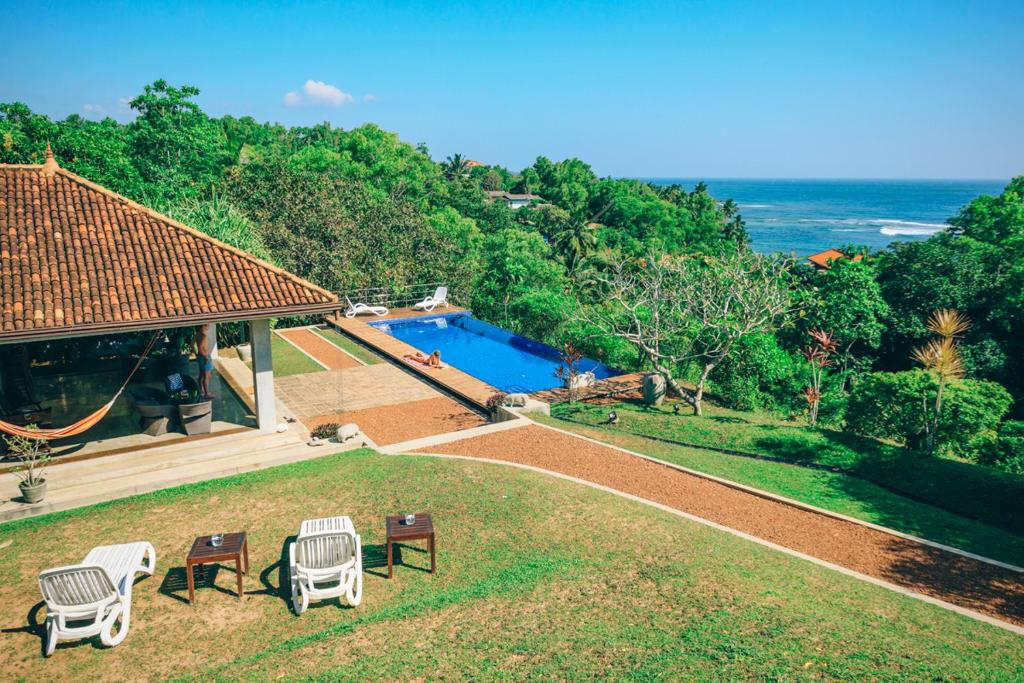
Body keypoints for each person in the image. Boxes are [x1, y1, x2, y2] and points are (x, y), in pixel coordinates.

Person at [192, 326, 215, 398]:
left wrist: (196, 354)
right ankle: (207, 393)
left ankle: (201, 391)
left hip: (200, 357)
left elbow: (192, 345)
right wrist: (206, 357)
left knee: (201, 375)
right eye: (206, 325)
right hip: (205, 357)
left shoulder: (196, 335)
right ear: (202, 327)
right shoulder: (203, 336)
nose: (208, 326)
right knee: (206, 376)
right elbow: (200, 348)